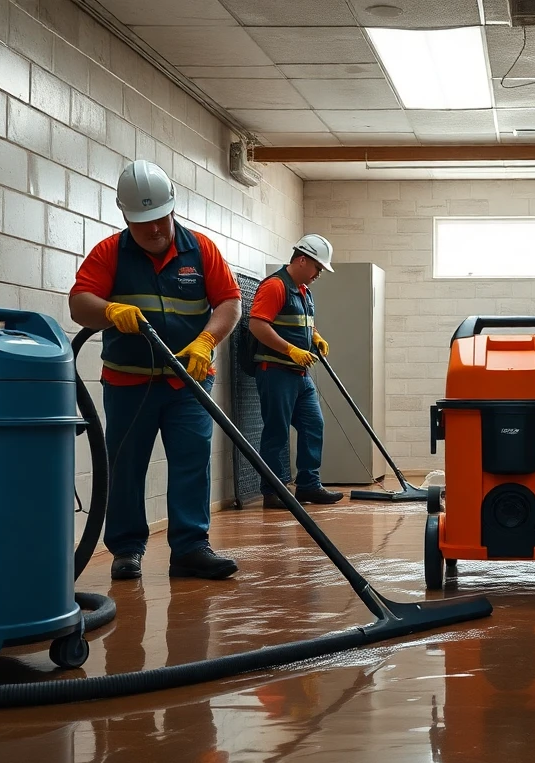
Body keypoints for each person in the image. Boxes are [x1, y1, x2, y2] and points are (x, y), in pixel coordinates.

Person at [69, 159, 243, 581]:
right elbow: (78, 303)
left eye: (160, 219)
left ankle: (189, 548)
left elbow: (230, 303)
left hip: (189, 382)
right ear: (126, 216)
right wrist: (109, 310)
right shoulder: (110, 252)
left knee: (191, 461)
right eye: (142, 222)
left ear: (172, 208)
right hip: (129, 383)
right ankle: (126, 550)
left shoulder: (200, 249)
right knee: (126, 465)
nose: (154, 230)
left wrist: (206, 340)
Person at [248, 234, 344, 509]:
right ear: (302, 260)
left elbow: (304, 324)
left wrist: (315, 337)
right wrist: (290, 350)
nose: (319, 275)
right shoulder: (275, 286)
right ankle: (273, 490)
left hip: (299, 375)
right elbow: (258, 325)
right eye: (318, 268)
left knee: (314, 425)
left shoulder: (303, 291)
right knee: (276, 432)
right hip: (276, 372)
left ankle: (308, 485)